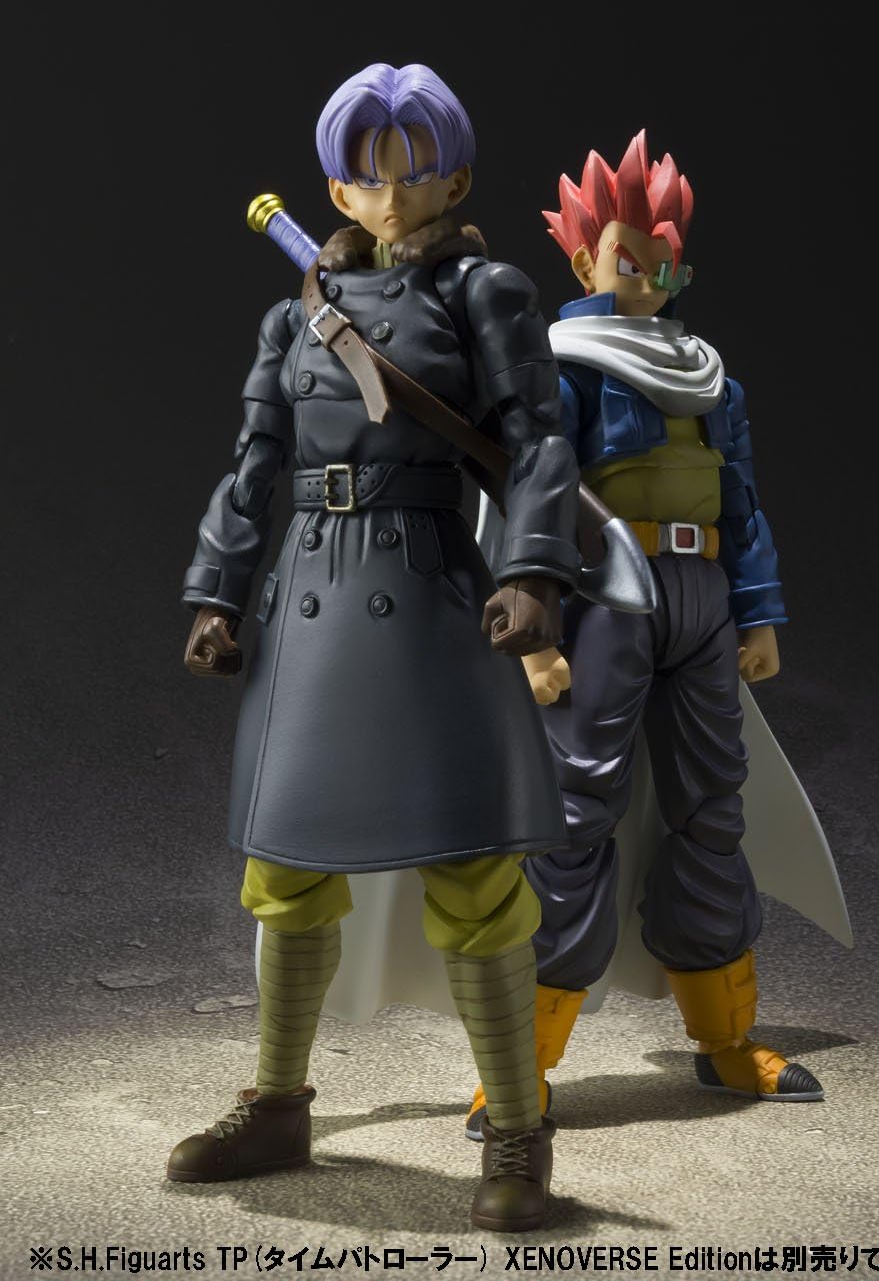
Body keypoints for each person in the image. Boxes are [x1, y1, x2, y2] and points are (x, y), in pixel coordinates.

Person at [167, 62, 580, 1232]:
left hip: (430, 591)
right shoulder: (294, 314)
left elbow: (536, 442)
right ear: (336, 190)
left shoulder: (485, 292)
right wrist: (216, 593)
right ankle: (277, 1103)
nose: (391, 197)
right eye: (366, 175)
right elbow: (255, 463)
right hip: (310, 594)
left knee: (473, 868)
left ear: (455, 178)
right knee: (285, 868)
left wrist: (531, 573)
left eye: (414, 172)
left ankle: (518, 1126)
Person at [466, 129, 825, 1139]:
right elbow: (532, 502)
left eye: (669, 262)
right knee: (572, 815)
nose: (653, 278)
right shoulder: (561, 371)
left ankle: (723, 1036)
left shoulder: (711, 378)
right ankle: (518, 1064)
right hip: (605, 599)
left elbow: (740, 502)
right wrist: (535, 633)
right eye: (634, 258)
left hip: (700, 593)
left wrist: (758, 609)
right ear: (586, 260)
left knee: (711, 807)